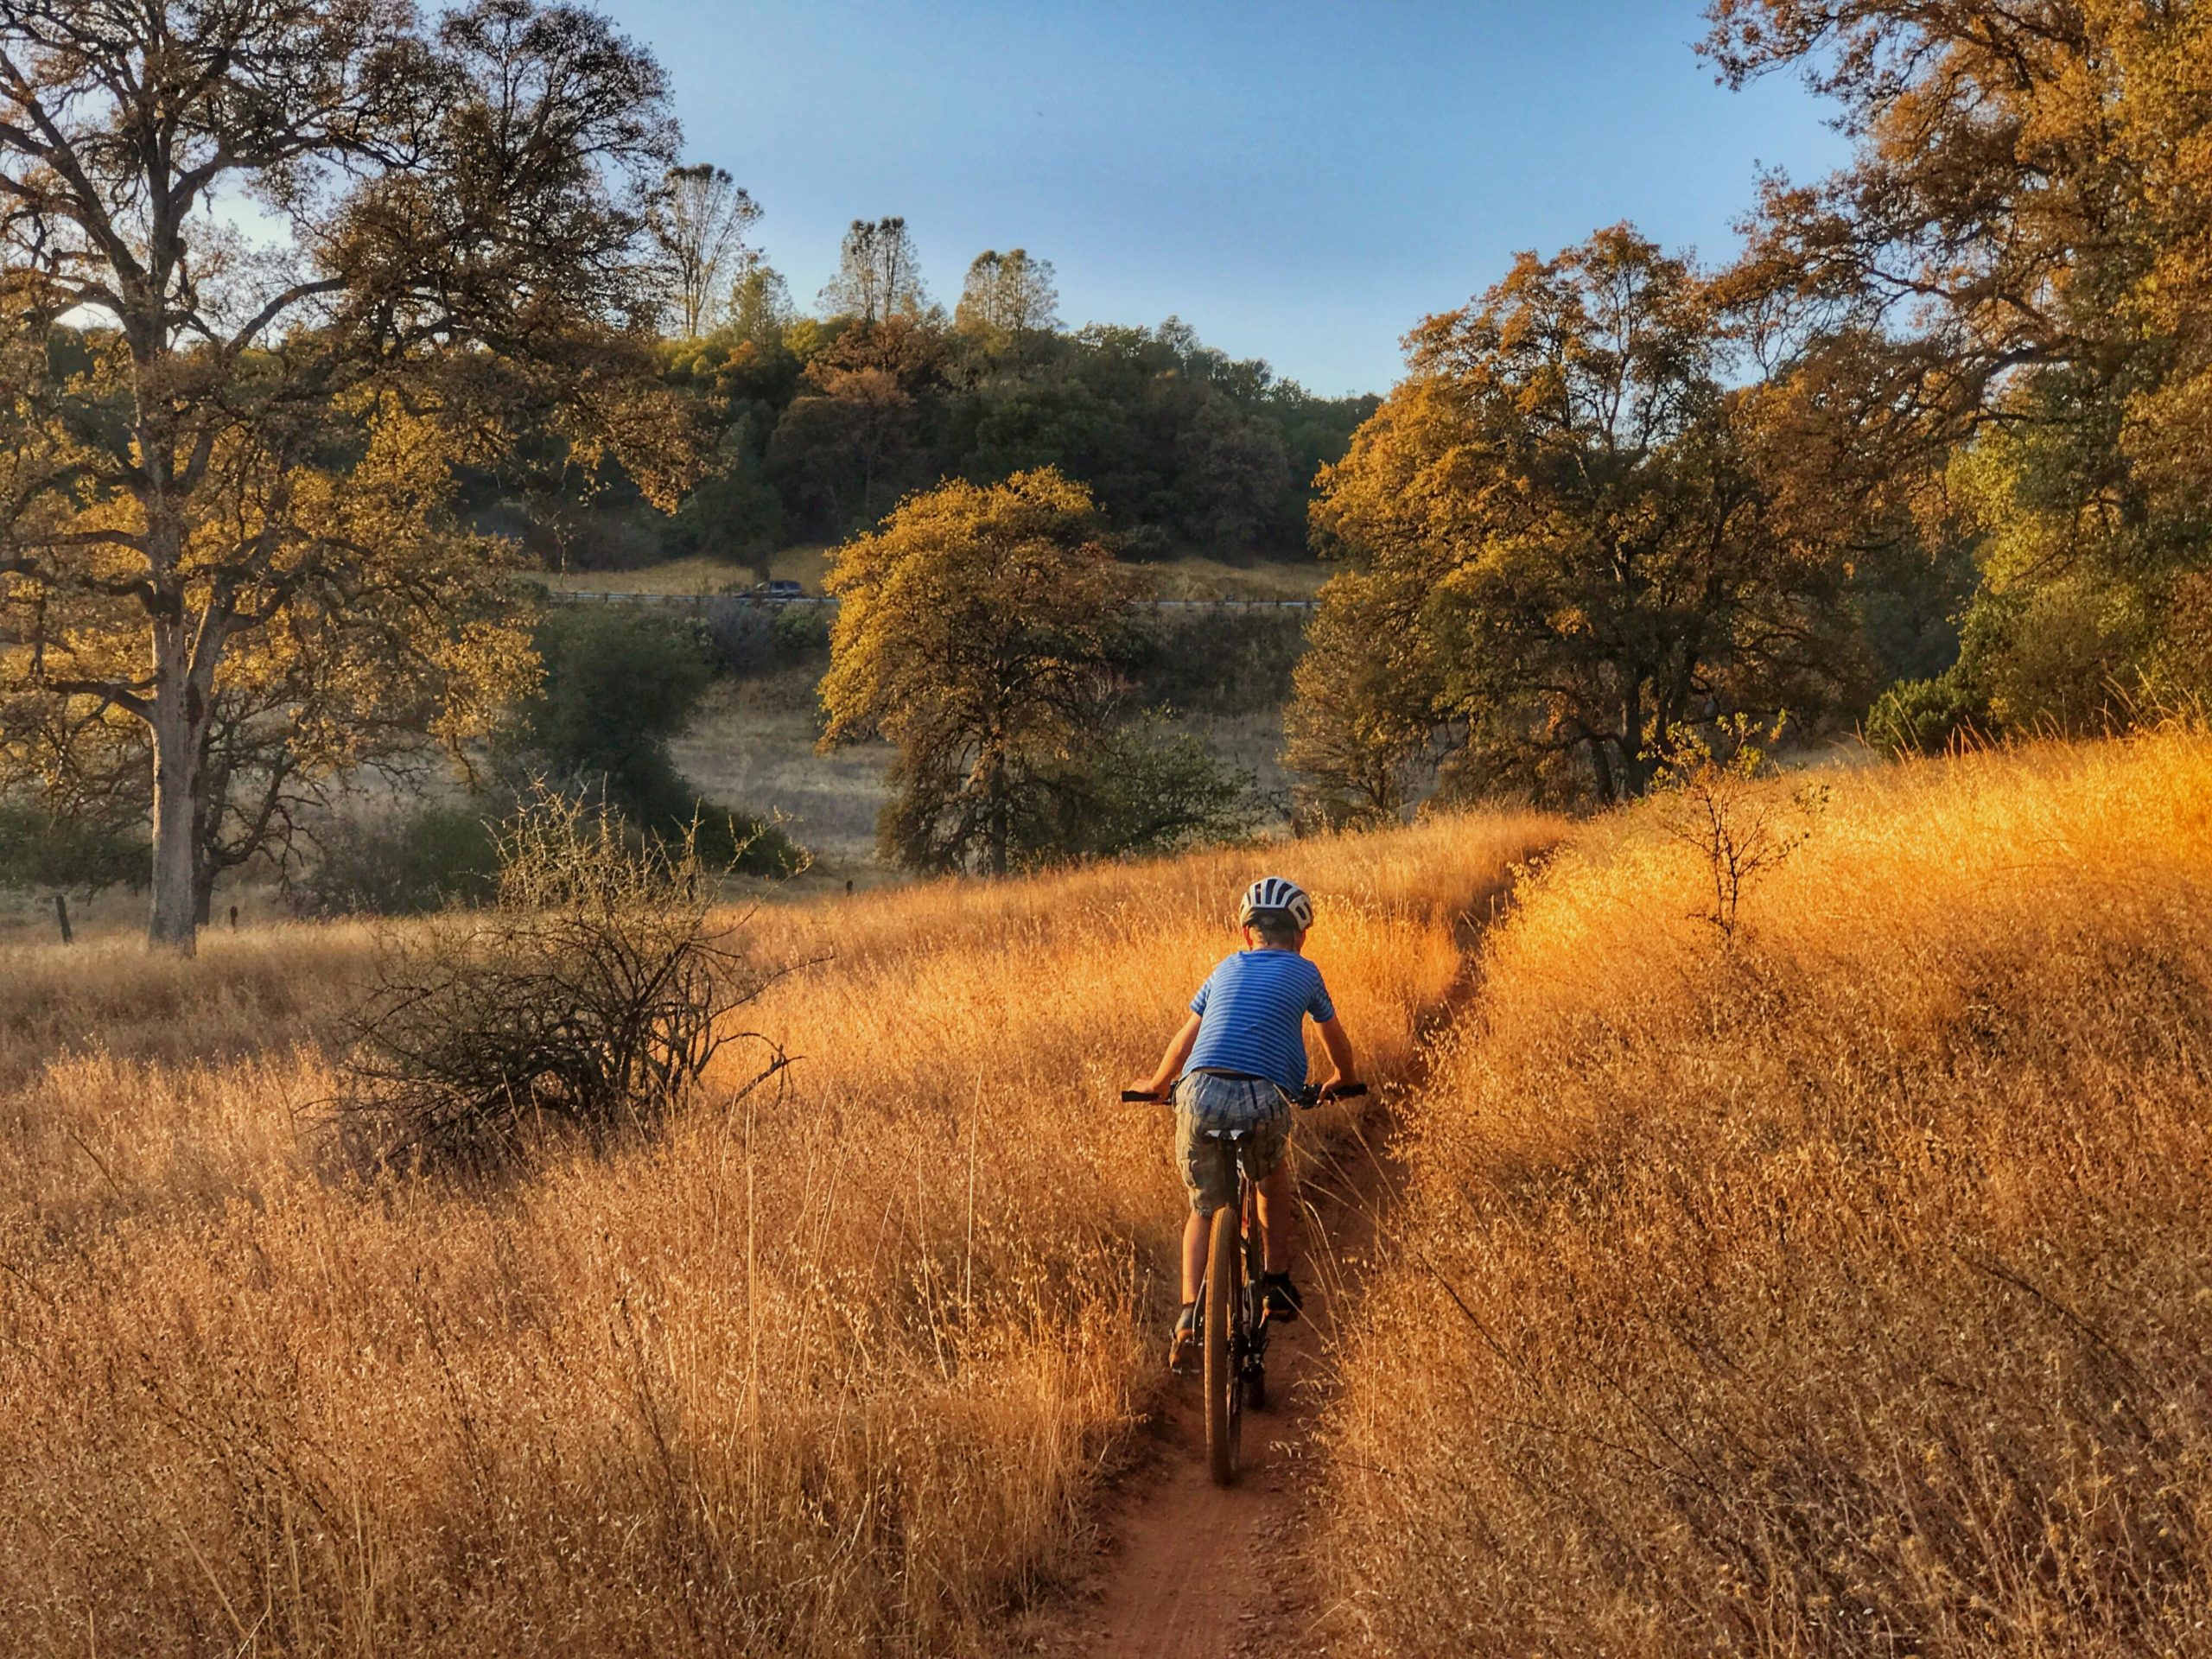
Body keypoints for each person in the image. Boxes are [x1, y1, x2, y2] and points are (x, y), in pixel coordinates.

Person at [1126, 875, 1359, 1372]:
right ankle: (1274, 1284)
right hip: (1264, 1097)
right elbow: (1333, 1037)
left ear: (1247, 934)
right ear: (1301, 936)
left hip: (1199, 1092)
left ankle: (1189, 1317)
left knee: (1204, 1210)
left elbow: (1186, 1039)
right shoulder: (1306, 972)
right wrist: (1345, 1077)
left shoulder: (1226, 966)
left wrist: (1157, 1083)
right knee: (1271, 1182)